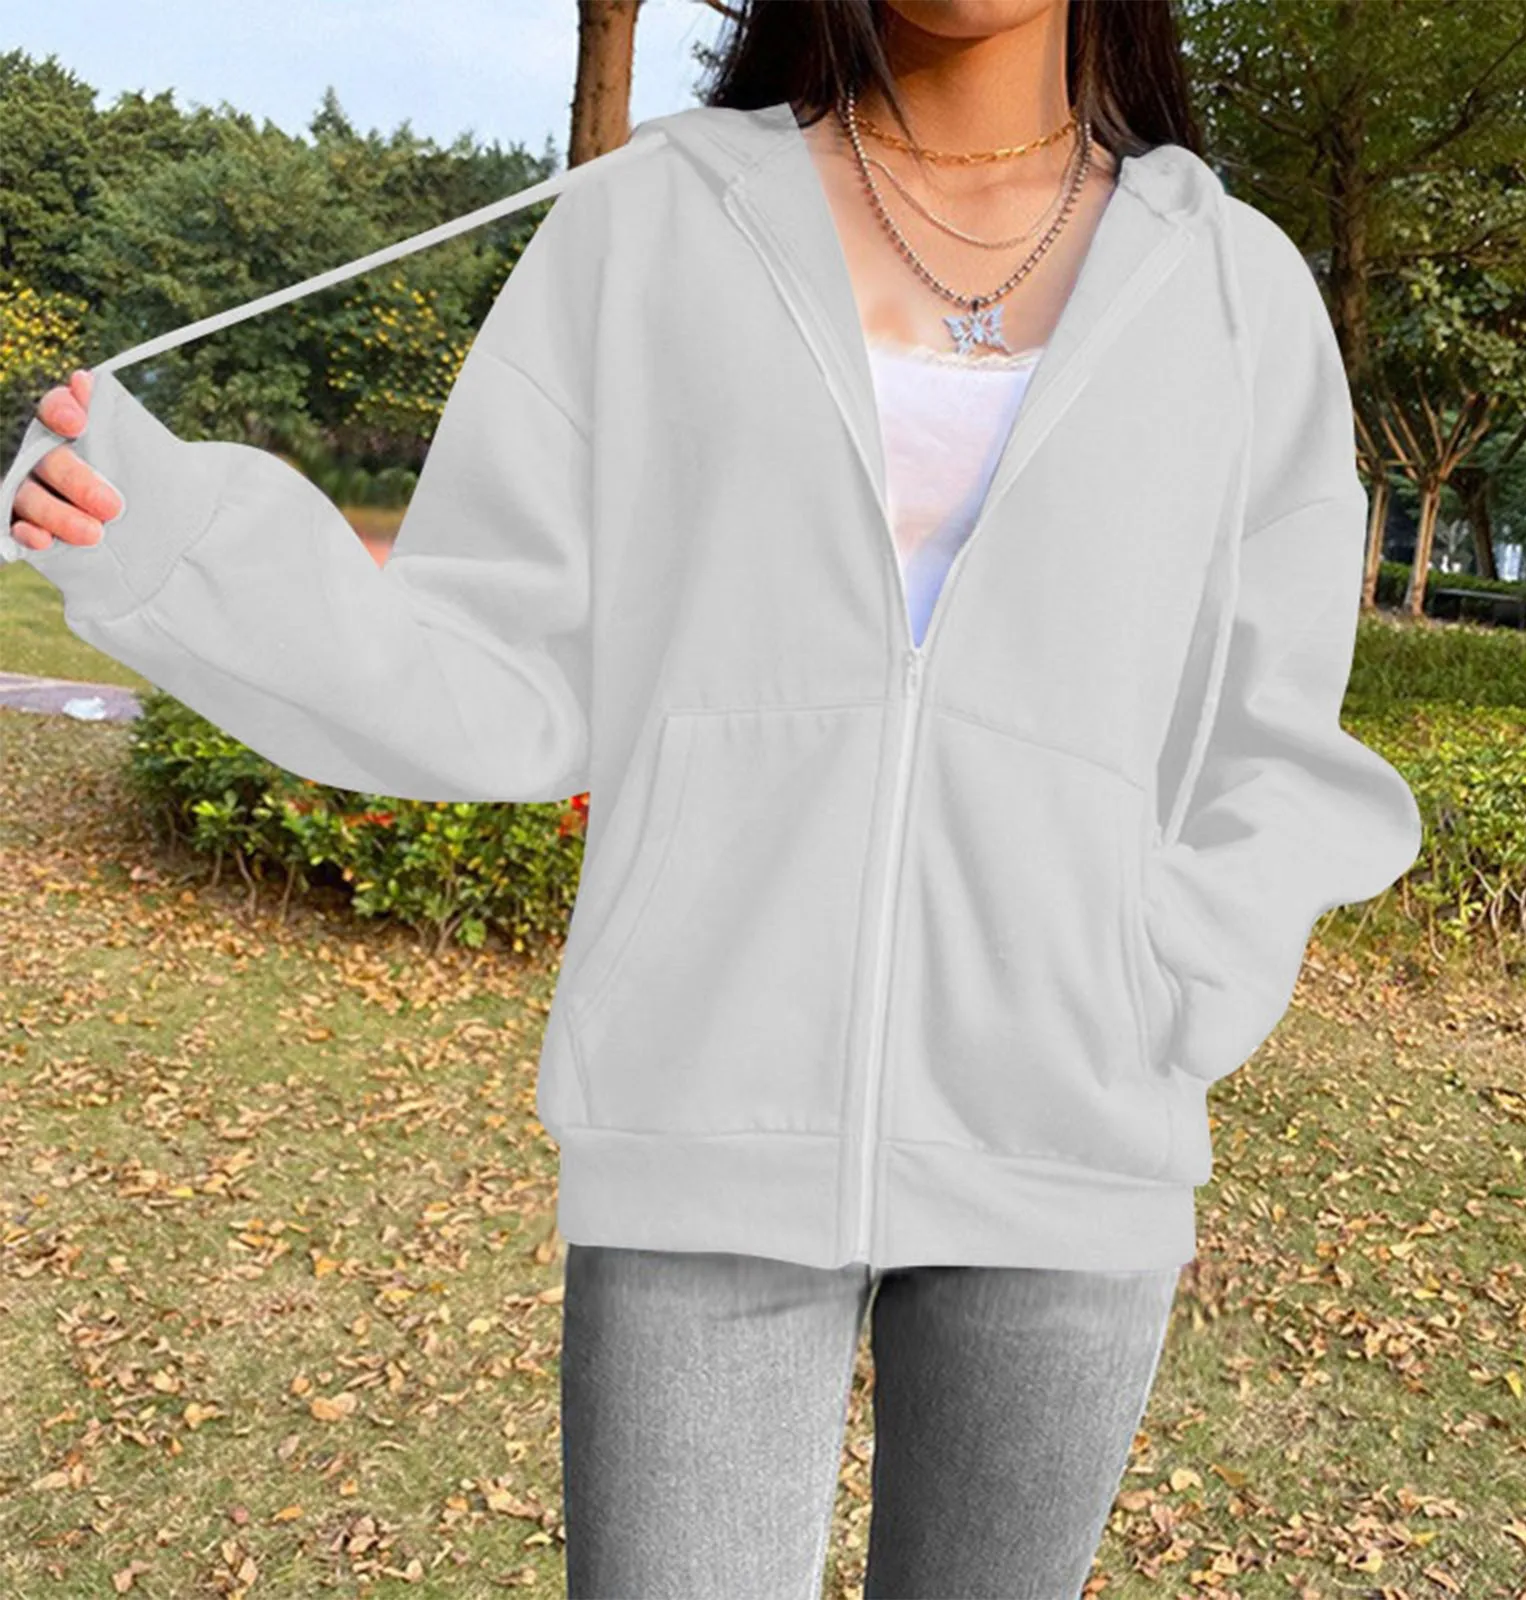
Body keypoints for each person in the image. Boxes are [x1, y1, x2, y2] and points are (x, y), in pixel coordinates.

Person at [2, 1, 1423, 1595]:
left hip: (1074, 1154)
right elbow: (502, 659)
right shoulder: (656, 218)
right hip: (697, 1126)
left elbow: (1271, 733)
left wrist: (1167, 987)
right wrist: (178, 548)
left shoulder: (1233, 288)